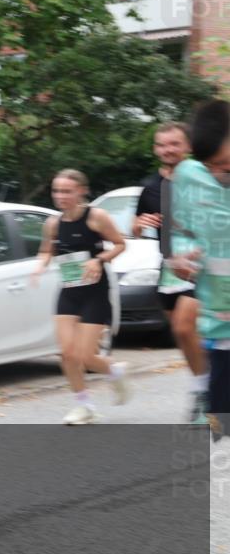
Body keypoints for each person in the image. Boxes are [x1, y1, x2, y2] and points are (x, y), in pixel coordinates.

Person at [32, 169, 131, 425]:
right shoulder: (53, 223)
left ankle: (114, 371)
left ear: (81, 191)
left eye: (67, 191)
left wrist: (99, 260)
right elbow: (46, 249)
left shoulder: (96, 217)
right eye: (56, 191)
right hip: (69, 290)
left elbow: (120, 244)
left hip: (94, 292)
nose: (60, 196)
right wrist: (40, 265)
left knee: (87, 357)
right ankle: (83, 405)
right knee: (67, 354)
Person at [133, 122, 208, 422]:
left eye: (174, 144)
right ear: (155, 149)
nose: (168, 149)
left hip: (203, 266)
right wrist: (139, 225)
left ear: (188, 146)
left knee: (182, 327)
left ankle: (204, 393)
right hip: (167, 269)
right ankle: (206, 387)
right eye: (162, 144)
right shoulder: (150, 187)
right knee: (189, 337)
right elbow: (135, 227)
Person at [170, 100, 230, 440]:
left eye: (225, 165)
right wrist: (180, 258)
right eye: (212, 168)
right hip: (222, 333)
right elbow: (181, 230)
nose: (220, 174)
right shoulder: (190, 176)